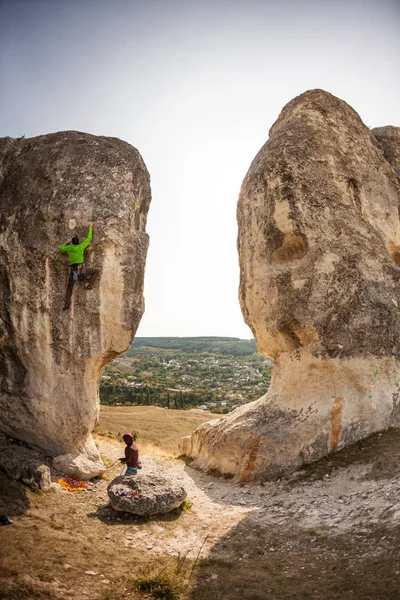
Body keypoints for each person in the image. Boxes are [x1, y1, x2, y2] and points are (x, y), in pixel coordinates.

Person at [59, 224, 99, 310]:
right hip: (81, 270)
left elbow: (61, 248)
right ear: (78, 242)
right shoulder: (81, 247)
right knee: (96, 271)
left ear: (72, 242)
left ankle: (66, 304)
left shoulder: (69, 248)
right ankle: (88, 283)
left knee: (69, 288)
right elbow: (89, 239)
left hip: (74, 272)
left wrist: (66, 243)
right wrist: (90, 228)